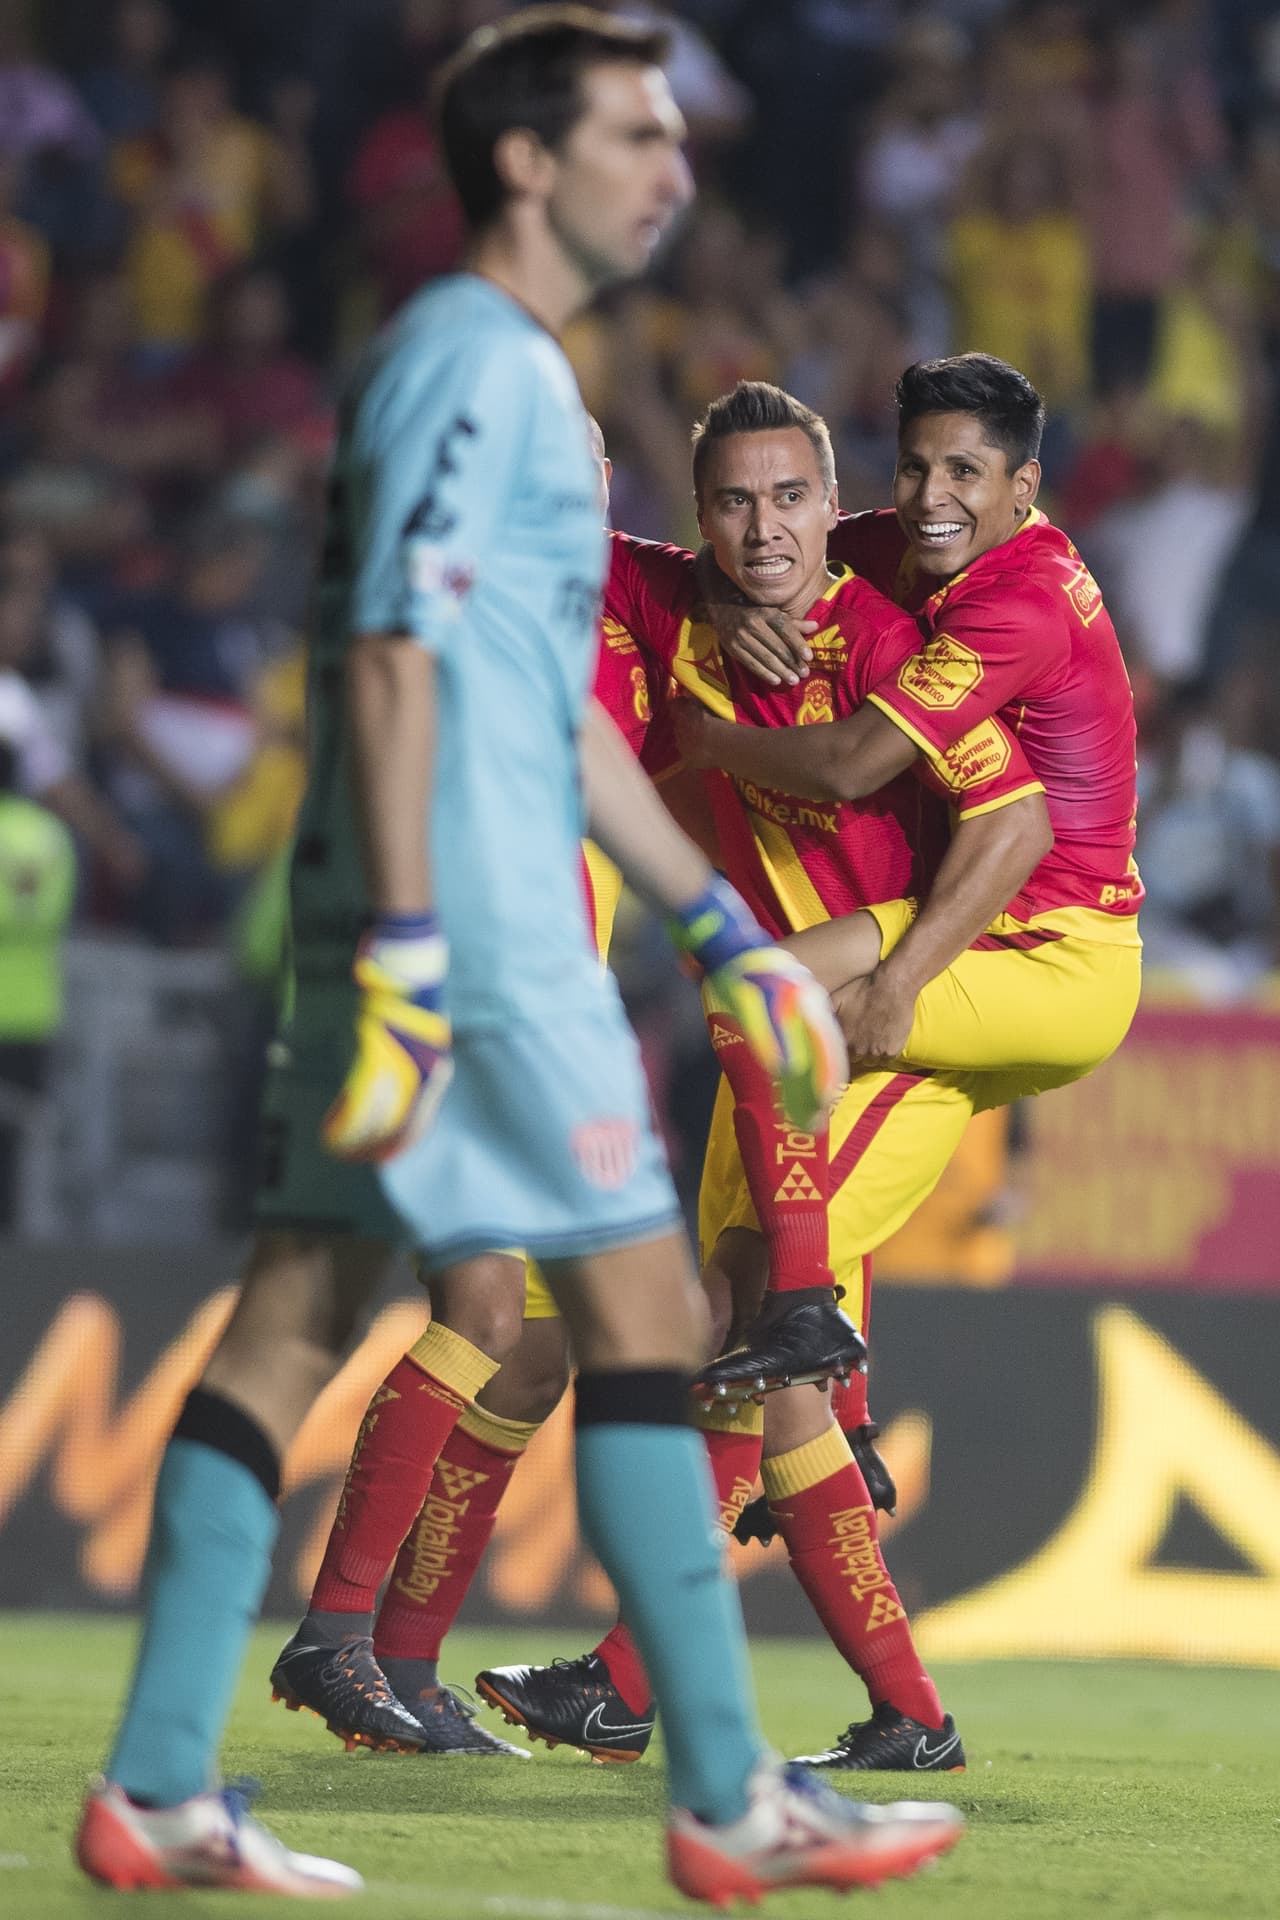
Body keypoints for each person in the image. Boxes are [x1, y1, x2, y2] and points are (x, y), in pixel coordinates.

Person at [75, 11, 960, 1904]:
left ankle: (197, 1759)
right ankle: (712, 1789)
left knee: (396, 1326)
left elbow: (560, 716)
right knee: (622, 1327)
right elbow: (400, 659)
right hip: (460, 933)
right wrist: (405, 941)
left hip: (487, 925)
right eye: (639, 133)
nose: (676, 163)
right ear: (534, 167)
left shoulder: (518, 381)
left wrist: (712, 918)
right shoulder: (482, 381)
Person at [474, 380, 1055, 1772]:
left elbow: (1018, 820)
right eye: (733, 501)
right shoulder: (671, 618)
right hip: (761, 1065)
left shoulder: (887, 644)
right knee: (754, 1385)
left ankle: (687, 1675)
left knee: (742, 1351)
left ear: (829, 504)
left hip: (847, 1041)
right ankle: (868, 1705)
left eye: (791, 497)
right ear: (697, 521)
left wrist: (902, 983)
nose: (764, 526)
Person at [680, 355, 1143, 1401]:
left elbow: (853, 763)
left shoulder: (1015, 606)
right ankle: (830, 1394)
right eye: (914, 469)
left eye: (964, 476)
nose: (932, 499)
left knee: (747, 1257)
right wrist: (717, 600)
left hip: (1048, 957)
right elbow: (764, 553)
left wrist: (707, 742)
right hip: (970, 933)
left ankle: (799, 1326)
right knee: (749, 1251)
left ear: (1019, 491)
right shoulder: (916, 543)